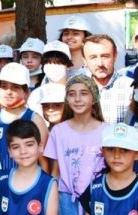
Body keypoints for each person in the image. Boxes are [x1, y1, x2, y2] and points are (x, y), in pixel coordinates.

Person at [44, 75, 106, 215]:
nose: (77, 99)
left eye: (83, 93)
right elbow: (55, 172)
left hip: (98, 195)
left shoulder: (106, 131)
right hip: (66, 199)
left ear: (94, 98)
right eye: (72, 94)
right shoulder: (58, 131)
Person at [79, 123, 138, 214]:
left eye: (124, 150)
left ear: (137, 154)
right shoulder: (94, 188)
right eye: (111, 149)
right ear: (102, 151)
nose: (117, 155)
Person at [0, 63, 49, 173]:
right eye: (4, 87)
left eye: (15, 87)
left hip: (29, 180)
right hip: (0, 181)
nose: (8, 92)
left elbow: (43, 161)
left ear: (26, 92)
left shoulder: (35, 119)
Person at [0, 120, 58, 215]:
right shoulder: (2, 177)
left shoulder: (49, 183)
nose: (23, 151)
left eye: (29, 145)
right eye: (16, 147)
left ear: (40, 146)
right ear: (9, 151)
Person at [83, 34, 133, 124]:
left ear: (115, 56)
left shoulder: (131, 88)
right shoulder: (76, 88)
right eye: (93, 57)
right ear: (84, 60)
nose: (100, 63)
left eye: (105, 56)